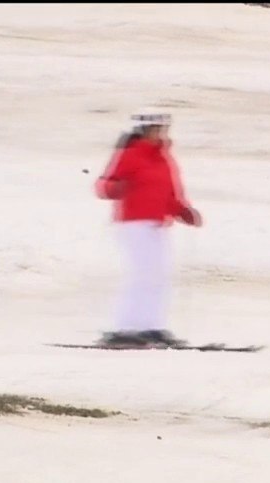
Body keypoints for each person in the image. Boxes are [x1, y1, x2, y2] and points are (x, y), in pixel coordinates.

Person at [93, 112, 203, 348]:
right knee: (141, 275)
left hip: (157, 223)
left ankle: (151, 327)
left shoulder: (164, 159)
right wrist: (116, 188)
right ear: (144, 130)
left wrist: (184, 212)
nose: (160, 133)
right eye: (156, 129)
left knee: (159, 276)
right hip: (133, 223)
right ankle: (126, 328)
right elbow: (103, 185)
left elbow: (170, 194)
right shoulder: (130, 155)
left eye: (163, 128)